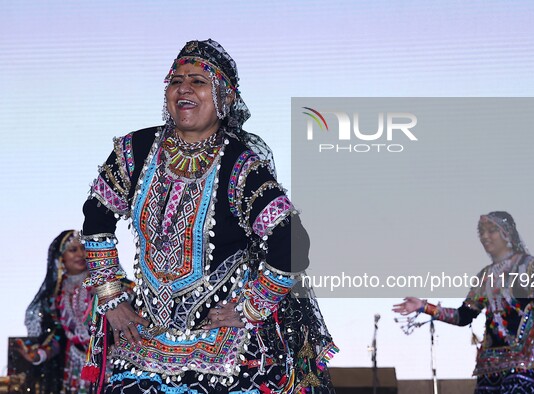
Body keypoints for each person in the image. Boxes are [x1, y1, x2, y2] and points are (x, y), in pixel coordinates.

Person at [81, 39, 337, 393]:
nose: (183, 88)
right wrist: (111, 296)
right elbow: (96, 220)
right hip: (144, 344)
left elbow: (292, 242)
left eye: (198, 81)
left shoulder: (241, 166)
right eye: (175, 80)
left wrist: (251, 307)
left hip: (229, 350)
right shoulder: (133, 151)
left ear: (225, 98)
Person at [393, 211, 534, 394]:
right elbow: (463, 316)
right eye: (481, 232)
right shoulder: (484, 276)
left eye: (491, 230)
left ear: (506, 233)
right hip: (491, 367)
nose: (485, 237)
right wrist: (424, 307)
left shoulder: (529, 265)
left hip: (528, 364)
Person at [20, 230, 92, 393]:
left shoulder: (106, 285)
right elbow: (58, 336)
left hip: (109, 363)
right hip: (74, 368)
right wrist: (39, 355)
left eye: (83, 248)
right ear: (61, 258)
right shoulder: (56, 296)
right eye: (73, 250)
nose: (81, 254)